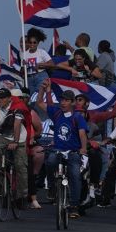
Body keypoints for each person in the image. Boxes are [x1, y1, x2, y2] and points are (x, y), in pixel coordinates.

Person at [41, 82, 89, 218]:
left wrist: (83, 149)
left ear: (73, 103)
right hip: (57, 150)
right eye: (62, 100)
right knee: (49, 162)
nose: (63, 103)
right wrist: (43, 90)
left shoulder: (78, 117)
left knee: (74, 176)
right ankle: (51, 188)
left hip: (73, 152)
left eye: (66, 100)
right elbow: (41, 103)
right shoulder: (56, 114)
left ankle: (74, 206)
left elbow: (82, 134)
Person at [0, 87, 32, 209]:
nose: (0, 100)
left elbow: (17, 125)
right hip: (3, 136)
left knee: (20, 165)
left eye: (3, 98)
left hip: (19, 137)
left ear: (9, 98)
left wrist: (15, 141)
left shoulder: (17, 107)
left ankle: (22, 195)